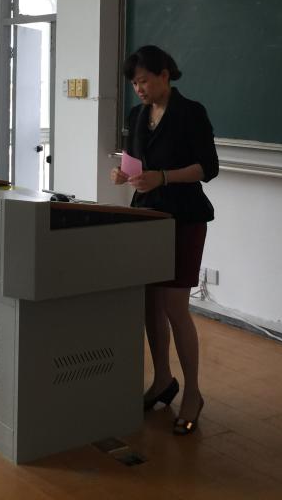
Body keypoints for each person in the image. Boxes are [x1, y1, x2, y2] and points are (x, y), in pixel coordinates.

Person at [111, 45, 219, 436]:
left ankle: (193, 392)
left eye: (143, 81)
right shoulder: (137, 115)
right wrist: (124, 174)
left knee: (174, 306)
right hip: (148, 217)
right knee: (150, 303)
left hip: (184, 218)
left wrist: (164, 177)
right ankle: (161, 379)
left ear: (164, 75)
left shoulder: (191, 112)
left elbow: (208, 167)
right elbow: (135, 159)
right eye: (134, 83)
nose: (138, 89)